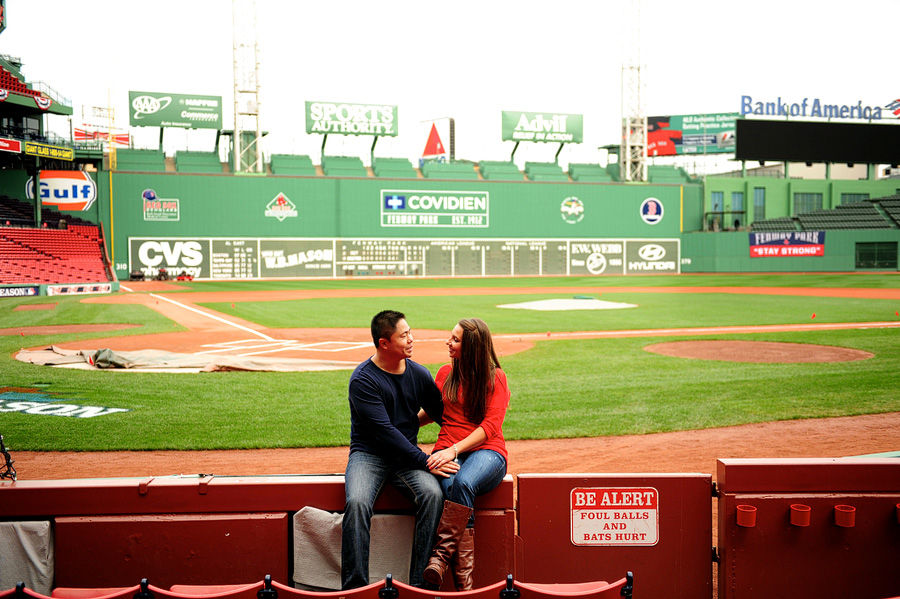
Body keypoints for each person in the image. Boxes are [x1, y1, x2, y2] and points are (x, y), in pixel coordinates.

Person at [341, 310, 459, 590]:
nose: (411, 339)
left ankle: (420, 586)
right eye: (403, 335)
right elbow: (386, 434)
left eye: (410, 332)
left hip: (406, 457)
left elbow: (444, 415)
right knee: (357, 503)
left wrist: (465, 444)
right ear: (384, 343)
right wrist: (427, 461)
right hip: (368, 455)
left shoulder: (418, 374)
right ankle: (355, 588)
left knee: (432, 495)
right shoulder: (363, 380)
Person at [419, 318, 510, 590]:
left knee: (464, 482)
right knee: (454, 487)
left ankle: (440, 556)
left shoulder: (496, 378)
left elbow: (491, 427)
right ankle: (465, 587)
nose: (449, 342)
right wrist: (401, 427)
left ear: (471, 348)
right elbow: (435, 413)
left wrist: (453, 450)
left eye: (455, 340)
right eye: (451, 337)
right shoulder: (445, 373)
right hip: (447, 449)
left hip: (487, 452)